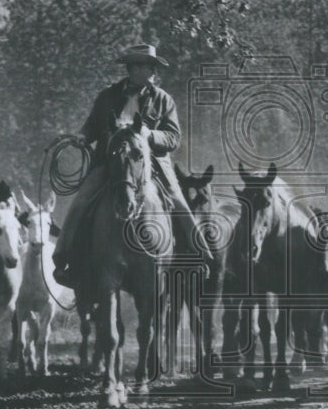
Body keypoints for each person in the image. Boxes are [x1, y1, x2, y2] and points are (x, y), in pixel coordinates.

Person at [52, 44, 212, 288]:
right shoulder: (108, 95)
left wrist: (150, 135)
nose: (148, 71)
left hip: (152, 165)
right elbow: (93, 125)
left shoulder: (163, 100)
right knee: (82, 199)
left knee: (177, 200)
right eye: (141, 65)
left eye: (150, 66)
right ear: (131, 68)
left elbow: (173, 137)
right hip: (111, 162)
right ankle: (64, 259)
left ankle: (200, 256)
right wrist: (83, 137)